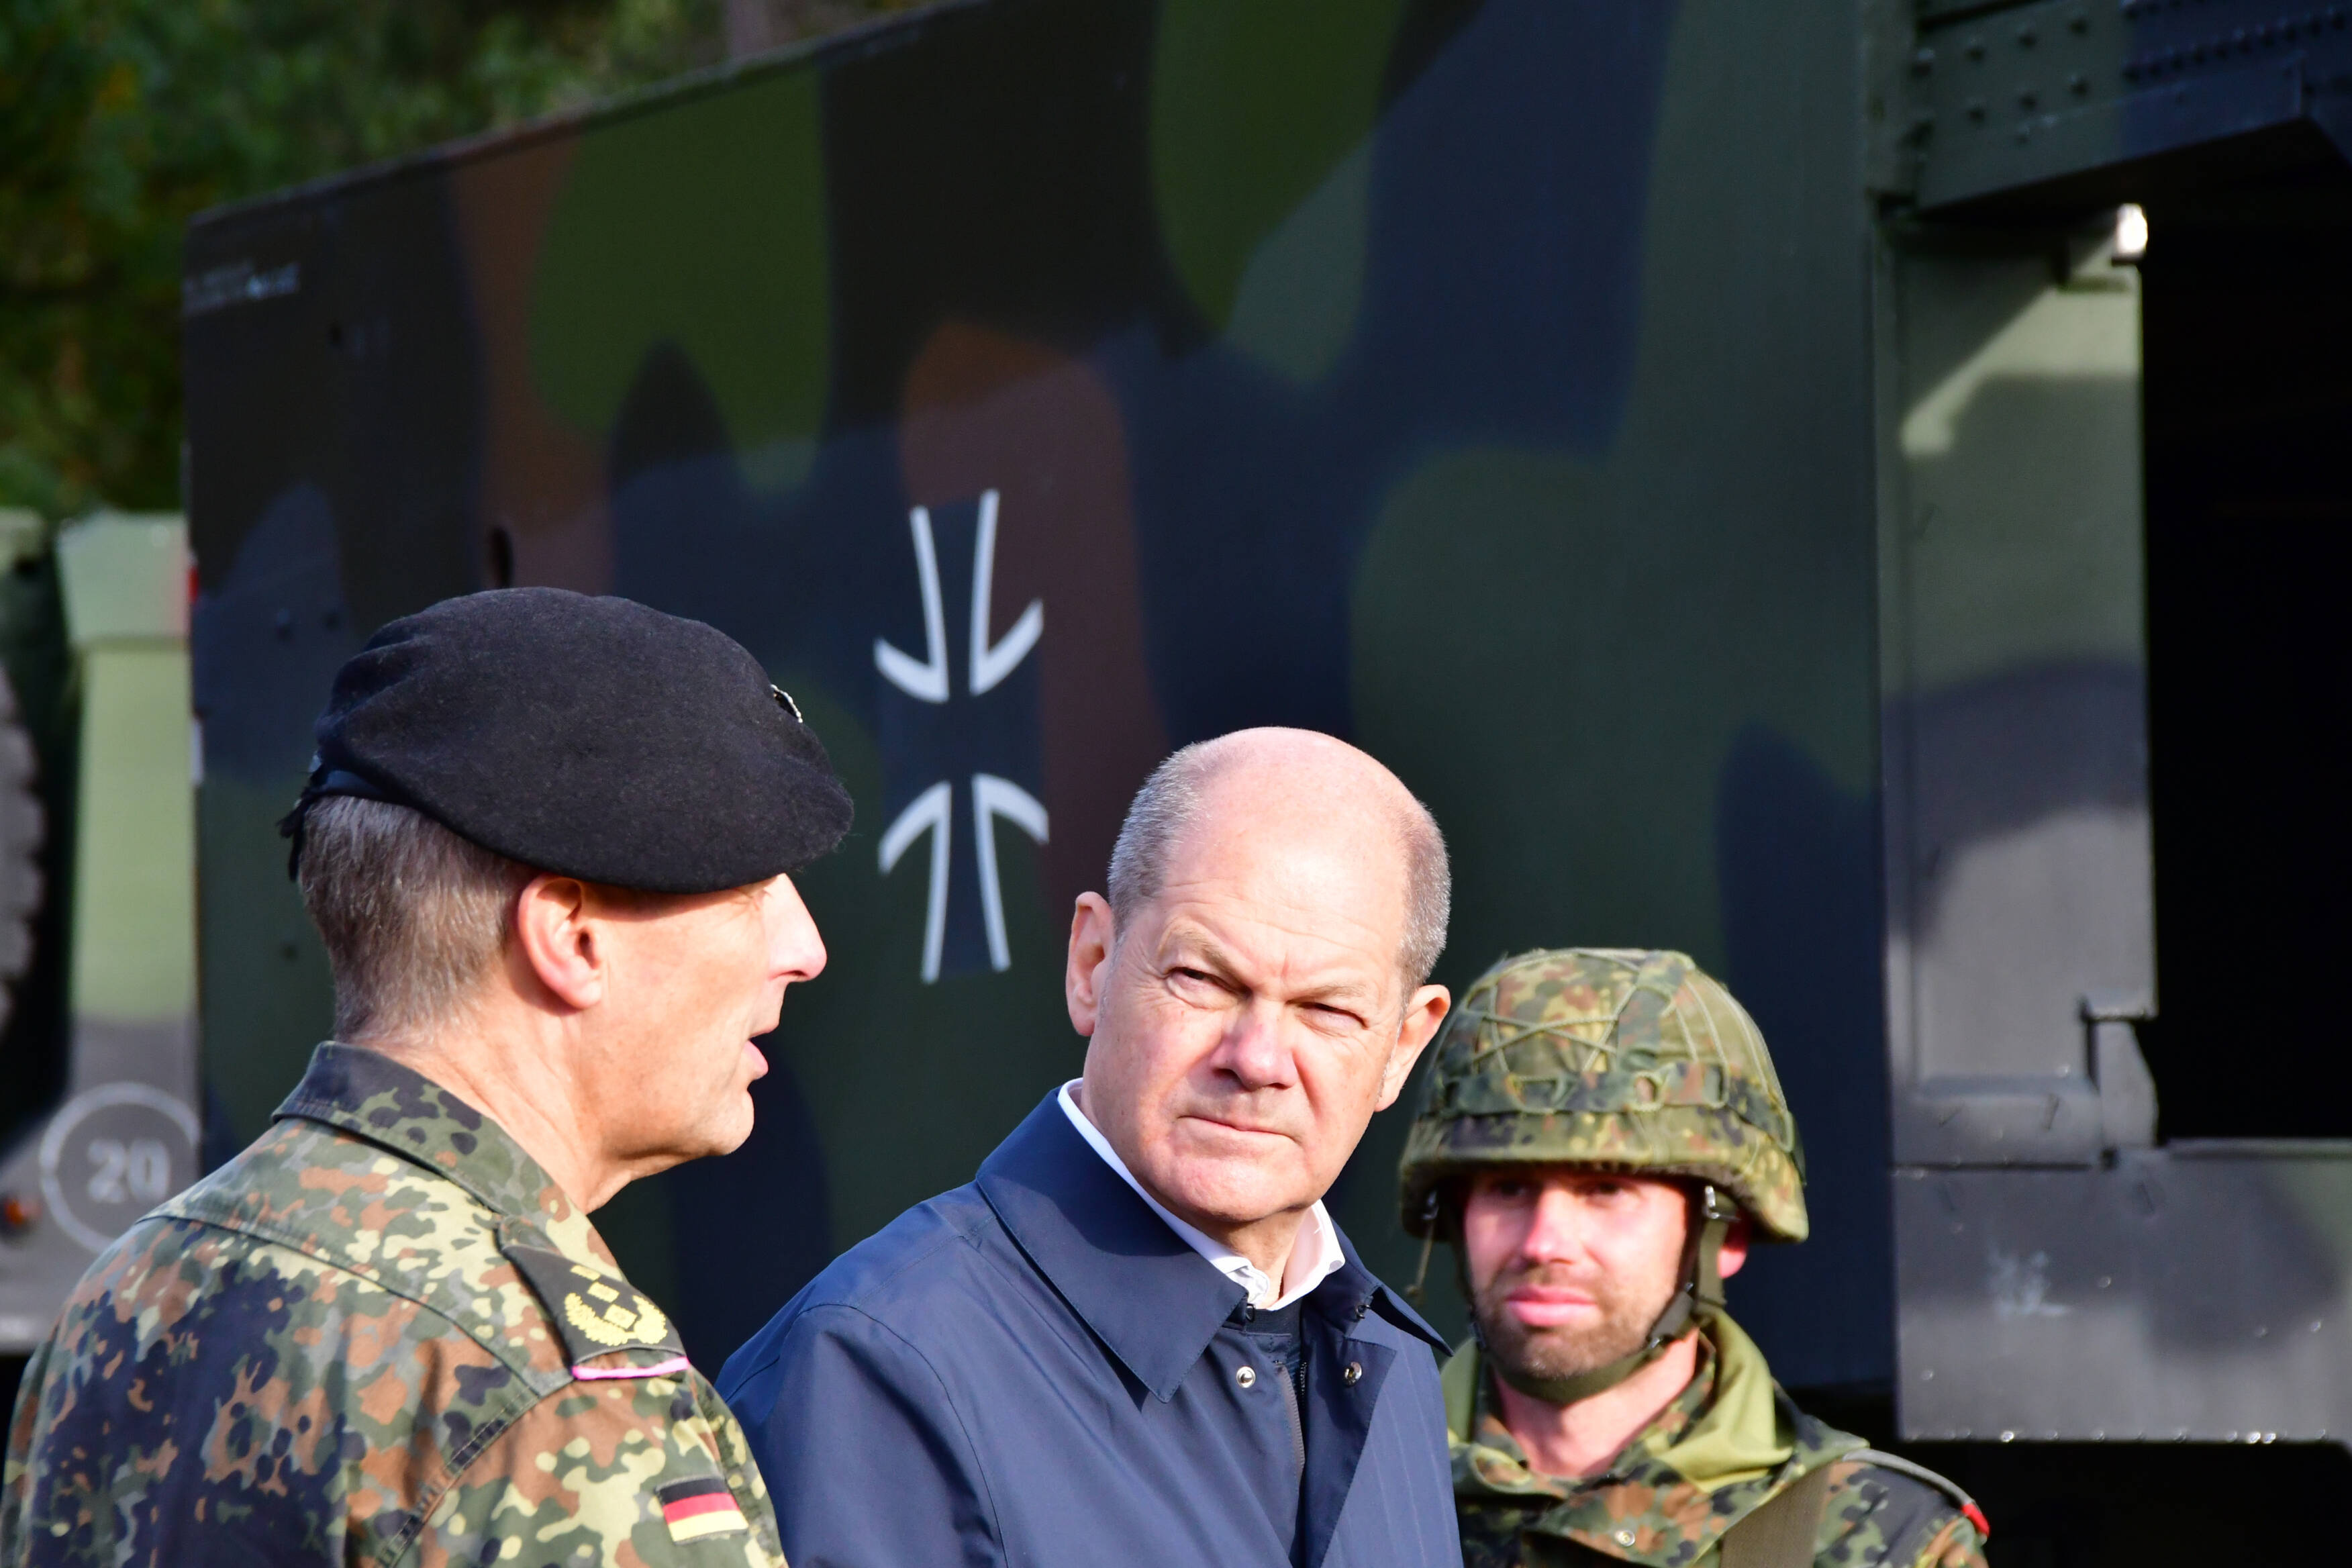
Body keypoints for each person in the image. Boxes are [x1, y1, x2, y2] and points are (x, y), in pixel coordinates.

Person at [1, 588, 852, 1566]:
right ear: (571, 938)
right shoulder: (552, 1400)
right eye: (750, 887)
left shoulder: (129, 1293)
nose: (805, 947)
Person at [722, 728, 1463, 1567]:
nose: (1257, 1058)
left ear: (1403, 1045)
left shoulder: (1394, 1373)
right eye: (1204, 979)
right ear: (1092, 962)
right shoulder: (879, 1368)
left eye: (1327, 1009)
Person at [1397, 947, 1990, 1568]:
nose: (1544, 1242)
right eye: (1507, 1188)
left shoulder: (1879, 1542)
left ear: (1723, 1236)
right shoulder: (1341, 1488)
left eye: (1607, 1191)